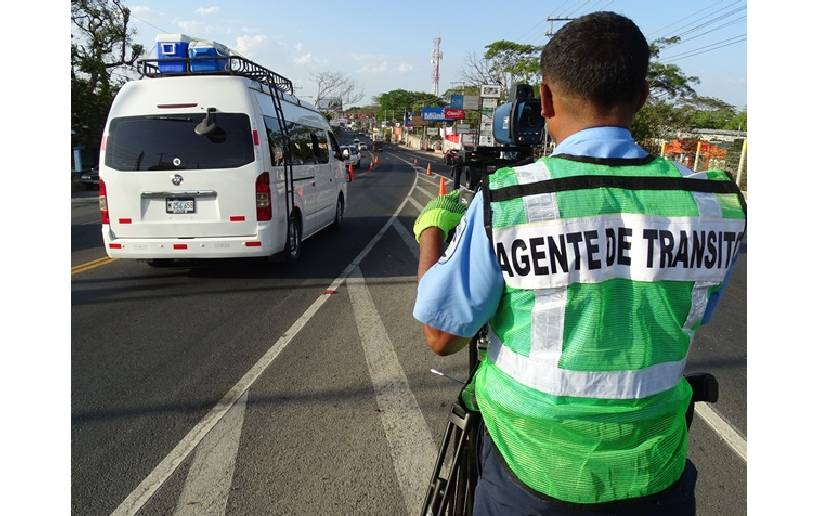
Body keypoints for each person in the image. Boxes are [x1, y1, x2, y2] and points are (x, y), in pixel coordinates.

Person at [412, 11, 745, 516]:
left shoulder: (509, 199)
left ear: (544, 99)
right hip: (656, 475)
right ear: (643, 96)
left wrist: (433, 228)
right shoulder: (716, 203)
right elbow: (690, 312)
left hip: (529, 476)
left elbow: (442, 336)